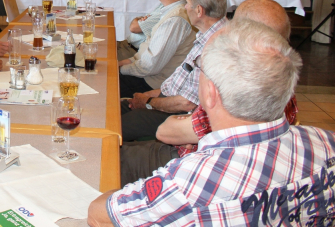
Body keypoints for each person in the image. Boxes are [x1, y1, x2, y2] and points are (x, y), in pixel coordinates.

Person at [87, 19, 335, 227]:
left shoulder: (192, 182)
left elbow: (99, 215)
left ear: (210, 93)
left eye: (199, 68)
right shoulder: (327, 143)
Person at [119, 0, 297, 186]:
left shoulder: (229, 86)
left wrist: (184, 127)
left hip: (198, 170)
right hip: (235, 170)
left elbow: (168, 130)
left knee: (114, 155)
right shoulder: (285, 87)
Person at [119, 0, 227, 143]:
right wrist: (145, 97)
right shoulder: (205, 35)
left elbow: (186, 103)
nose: (184, 7)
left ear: (199, 10)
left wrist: (148, 102)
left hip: (177, 116)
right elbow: (174, 84)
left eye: (188, 4)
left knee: (115, 126)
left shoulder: (216, 44)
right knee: (113, 110)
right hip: (164, 100)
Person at [118, 0, 196, 98]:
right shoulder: (171, 11)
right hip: (146, 74)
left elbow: (148, 67)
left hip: (151, 83)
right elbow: (143, 56)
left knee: (98, 83)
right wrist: (118, 65)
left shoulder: (175, 20)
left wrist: (119, 70)